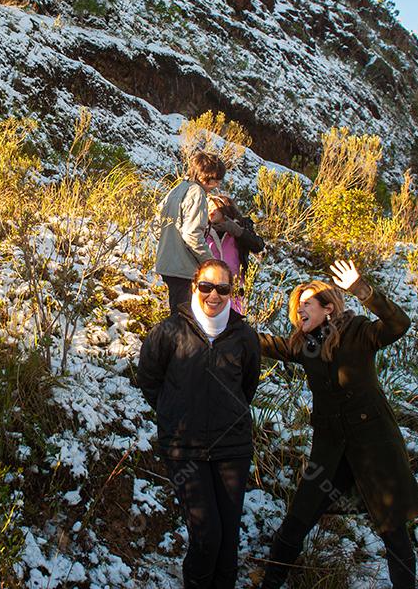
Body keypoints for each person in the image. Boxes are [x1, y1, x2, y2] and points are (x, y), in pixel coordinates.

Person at [257, 260, 418, 589]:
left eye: (307, 304)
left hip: (374, 446)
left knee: (393, 530)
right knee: (297, 520)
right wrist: (228, 326)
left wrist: (363, 290)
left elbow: (398, 323)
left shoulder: (360, 331)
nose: (299, 310)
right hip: (331, 450)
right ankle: (269, 583)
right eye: (297, 306)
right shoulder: (305, 345)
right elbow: (271, 345)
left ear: (329, 308)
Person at [137, 259, 261, 589]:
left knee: (228, 543)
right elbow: (149, 379)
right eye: (206, 286)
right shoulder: (169, 331)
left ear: (231, 292)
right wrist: (174, 414)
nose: (214, 295)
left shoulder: (244, 336)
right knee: (207, 537)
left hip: (231, 448)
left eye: (223, 289)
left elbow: (247, 386)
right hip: (184, 449)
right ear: (194, 286)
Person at [156, 152, 225, 312]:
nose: (217, 184)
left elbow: (157, 221)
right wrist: (211, 263)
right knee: (185, 321)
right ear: (207, 176)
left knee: (177, 317)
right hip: (184, 268)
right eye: (216, 179)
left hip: (167, 263)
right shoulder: (197, 193)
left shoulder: (177, 189)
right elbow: (192, 235)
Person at [204, 194, 265, 313]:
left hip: (234, 287)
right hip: (209, 286)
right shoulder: (204, 231)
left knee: (233, 320)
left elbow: (258, 246)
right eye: (208, 208)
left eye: (214, 207)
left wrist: (238, 232)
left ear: (224, 207)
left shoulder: (240, 226)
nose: (210, 211)